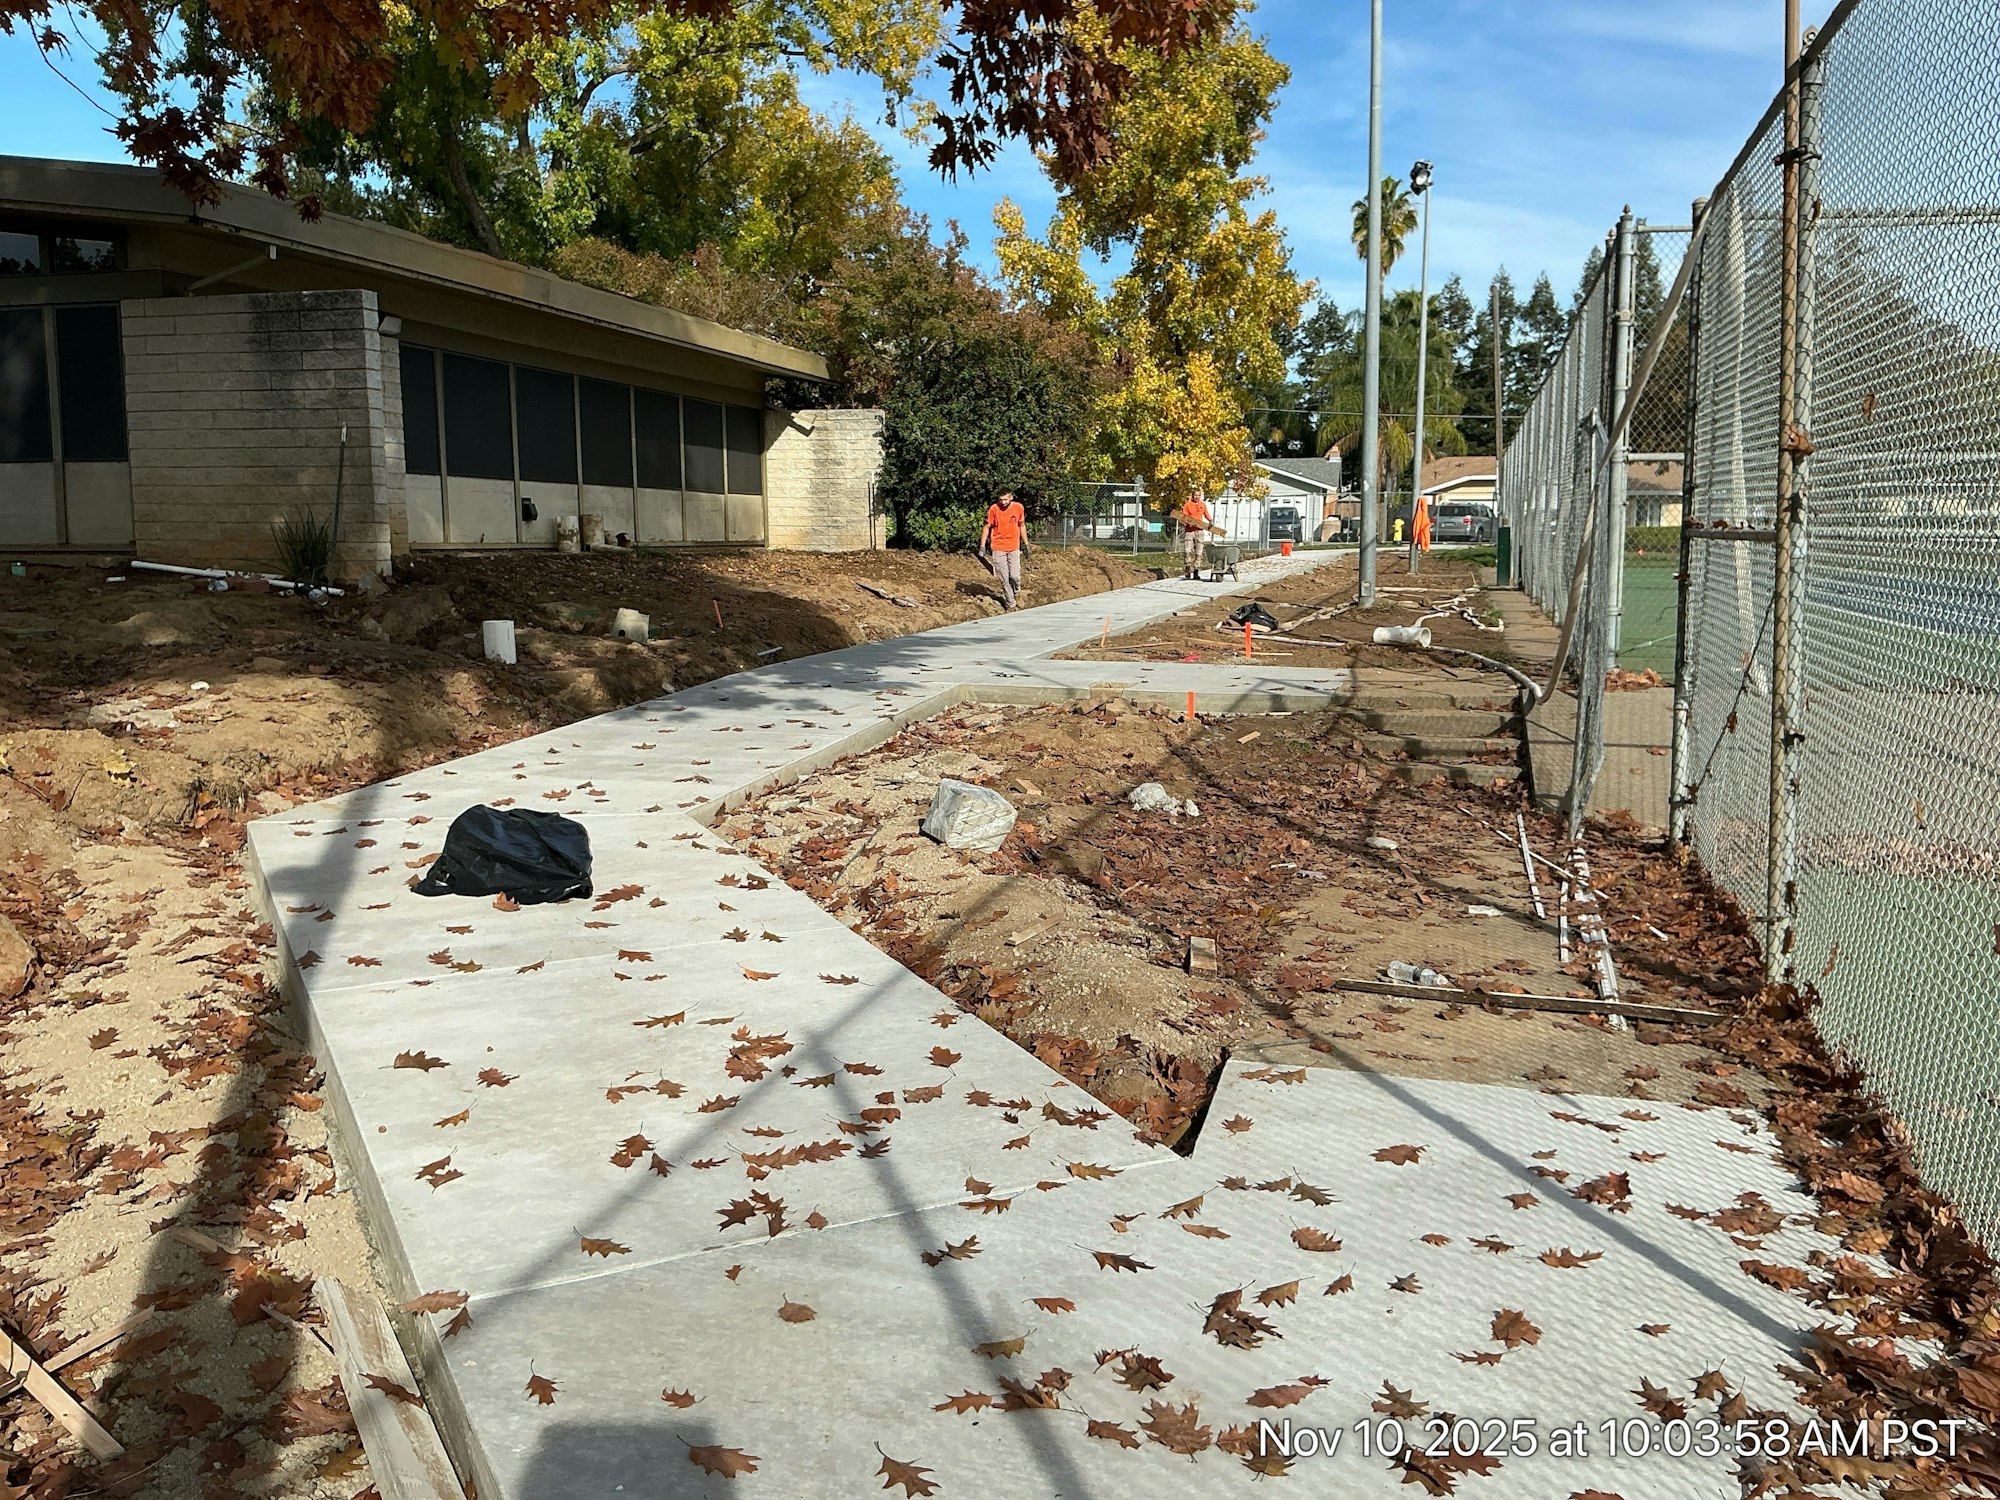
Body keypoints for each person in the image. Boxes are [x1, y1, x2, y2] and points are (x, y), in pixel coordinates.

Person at [979, 490, 1028, 609]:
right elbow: (987, 527)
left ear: (1011, 498)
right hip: (998, 547)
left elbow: (1021, 526)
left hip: (1014, 547)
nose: (1003, 502)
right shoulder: (994, 509)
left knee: (1014, 576)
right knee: (1004, 578)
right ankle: (1011, 603)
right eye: (1001, 500)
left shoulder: (1018, 508)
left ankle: (1016, 591)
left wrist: (1026, 544)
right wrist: (982, 545)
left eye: (1006, 499)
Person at [1177, 490, 1214, 579]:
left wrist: (1210, 521)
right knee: (1187, 550)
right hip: (1189, 531)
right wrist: (1187, 523)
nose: (1197, 497)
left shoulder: (1202, 504)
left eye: (1198, 495)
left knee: (1199, 552)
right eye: (1195, 495)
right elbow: (1183, 517)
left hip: (1199, 531)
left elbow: (1206, 514)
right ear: (1192, 496)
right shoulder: (1187, 505)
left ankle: (1196, 570)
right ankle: (1188, 568)